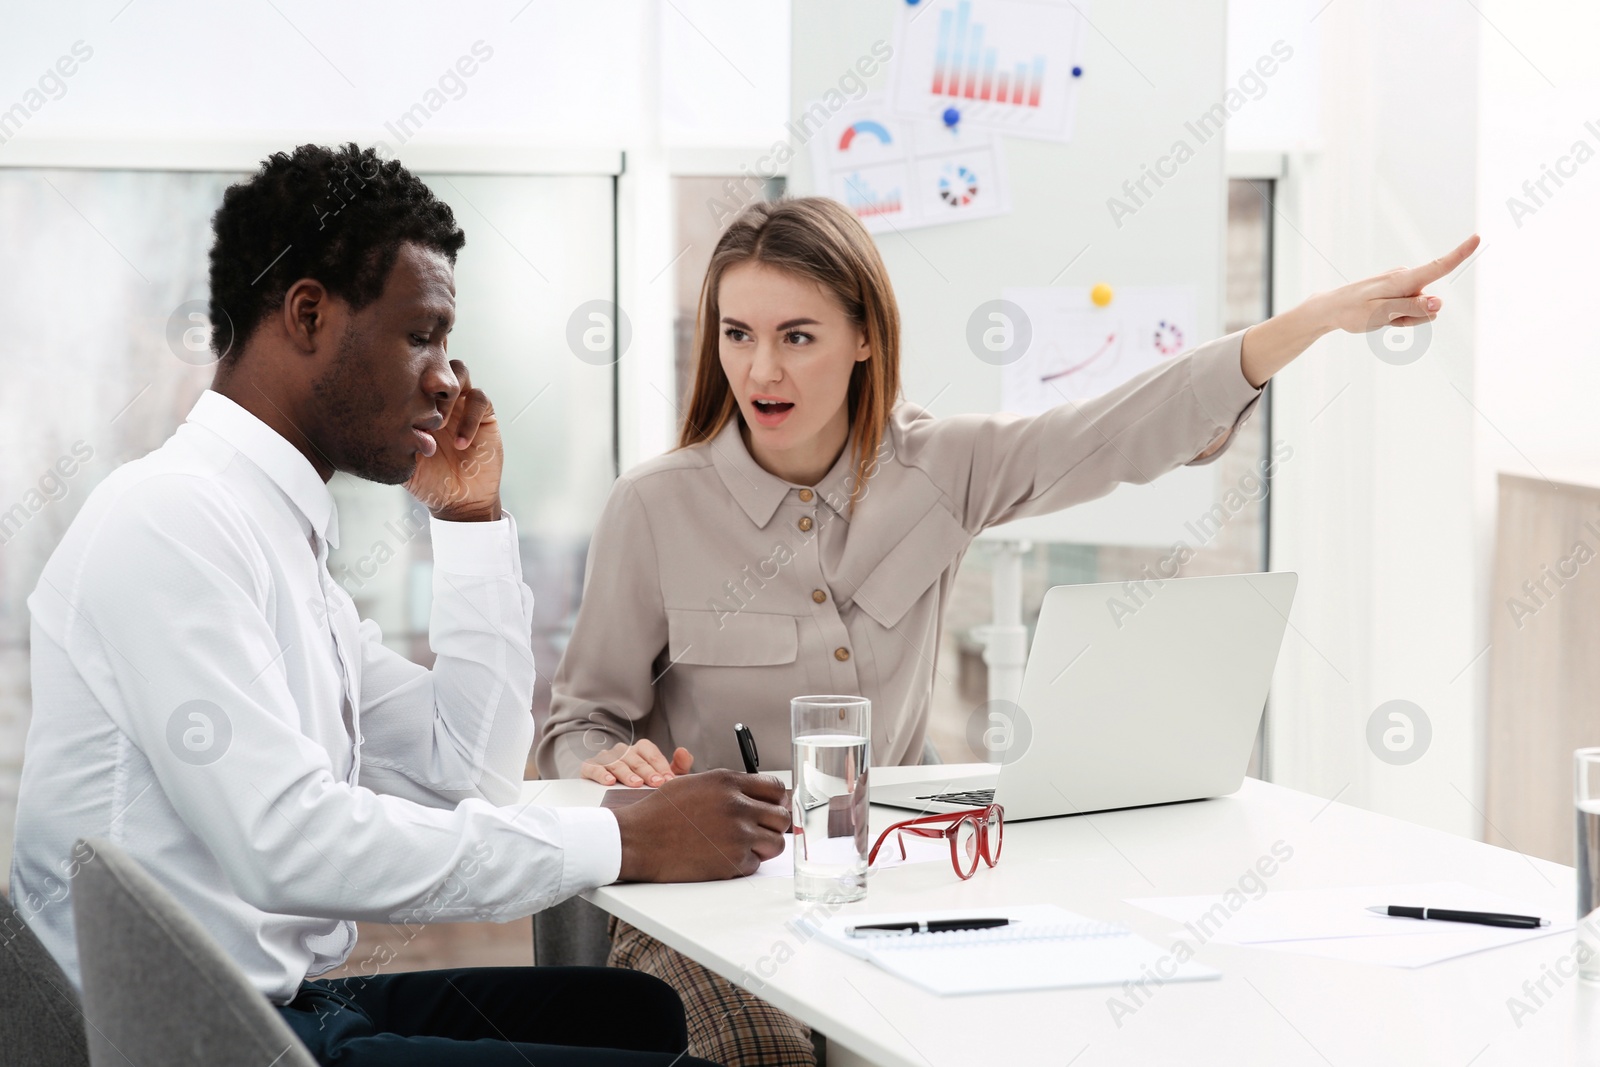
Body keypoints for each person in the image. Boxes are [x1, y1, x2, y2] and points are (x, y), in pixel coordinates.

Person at [534, 196, 1476, 1064]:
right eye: (737, 334)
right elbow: (578, 722)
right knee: (763, 1055)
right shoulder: (653, 506)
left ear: (865, 339)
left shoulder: (943, 467)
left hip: (893, 881)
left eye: (797, 336)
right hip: (703, 899)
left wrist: (1303, 326)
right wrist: (606, 764)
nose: (760, 368)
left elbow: (1113, 432)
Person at [9, 142, 789, 1067]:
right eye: (422, 334)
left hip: (284, 1003)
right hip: (200, 1037)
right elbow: (288, 842)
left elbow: (470, 767)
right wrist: (618, 836)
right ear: (307, 313)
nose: (448, 378)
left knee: (636, 1013)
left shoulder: (279, 539)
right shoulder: (173, 520)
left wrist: (470, 523)